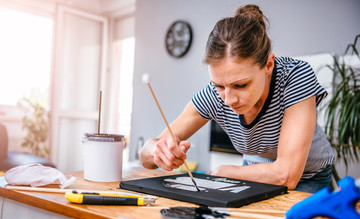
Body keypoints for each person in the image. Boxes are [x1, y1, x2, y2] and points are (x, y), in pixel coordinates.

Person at [140, 4, 334, 193]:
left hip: (308, 177)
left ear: (268, 65)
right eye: (219, 86)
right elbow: (146, 154)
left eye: (240, 85)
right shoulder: (214, 95)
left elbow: (287, 175)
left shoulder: (296, 76)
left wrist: (224, 173)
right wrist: (158, 152)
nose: (228, 100)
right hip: (252, 170)